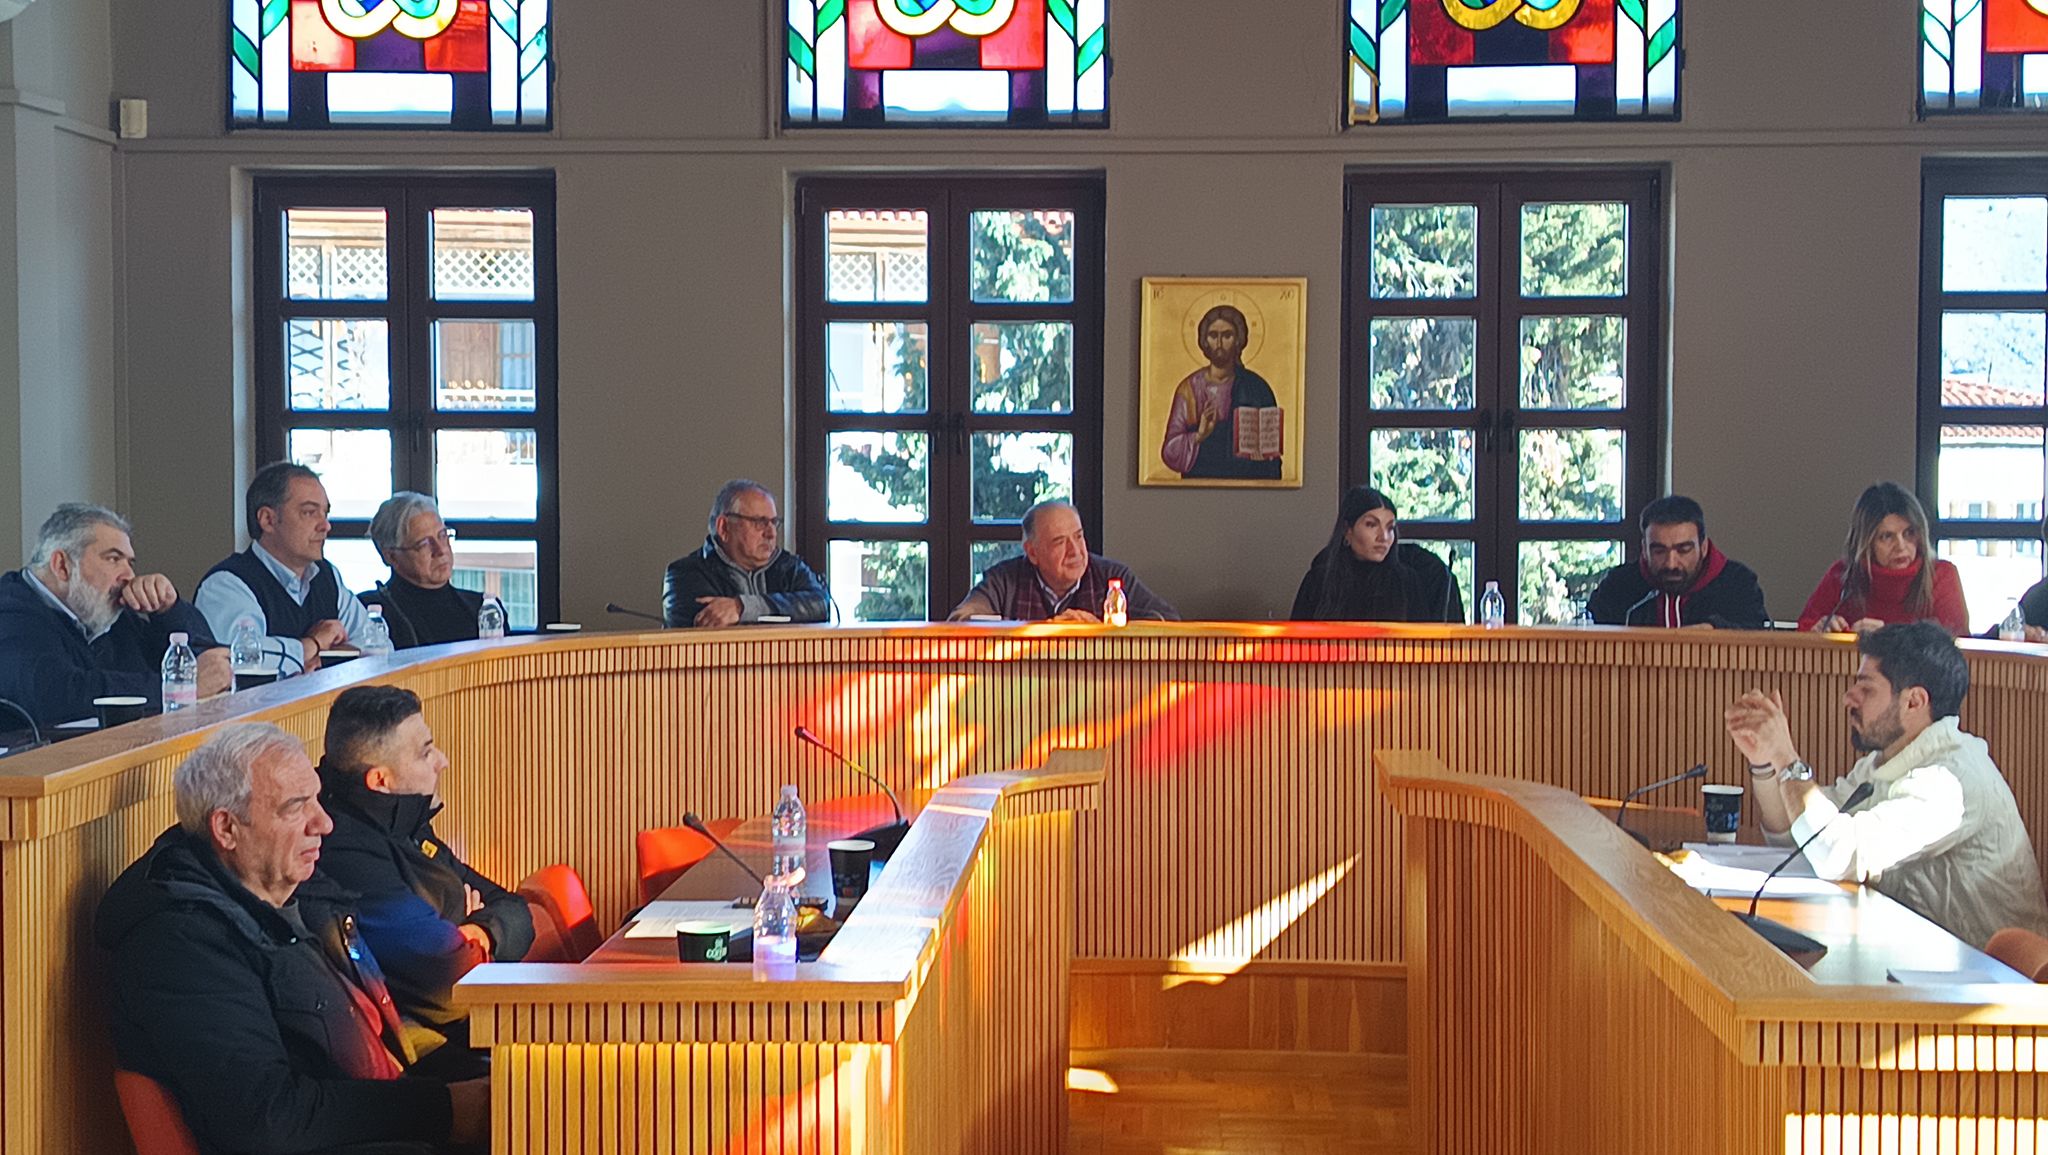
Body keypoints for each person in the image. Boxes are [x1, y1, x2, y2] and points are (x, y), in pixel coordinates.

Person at [93, 724, 489, 1153]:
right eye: (295, 807)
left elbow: (379, 1042)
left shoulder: (288, 893)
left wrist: (479, 1083)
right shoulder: (182, 943)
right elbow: (267, 1118)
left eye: (316, 799)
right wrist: (445, 1110)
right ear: (226, 828)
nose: (324, 823)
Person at [1724, 622, 2048, 949]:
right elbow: (1798, 837)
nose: (1848, 698)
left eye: (1866, 689)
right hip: (1917, 956)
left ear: (1914, 702)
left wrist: (1786, 759)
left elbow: (1836, 855)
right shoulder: (1884, 760)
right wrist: (1765, 761)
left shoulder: (1950, 782)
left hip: (1982, 971)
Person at [315, 685, 533, 1060]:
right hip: (435, 1062)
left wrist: (478, 931)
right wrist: (460, 930)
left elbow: (515, 909)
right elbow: (452, 982)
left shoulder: (406, 825)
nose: (442, 761)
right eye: (425, 752)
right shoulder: (345, 852)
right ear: (380, 780)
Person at [0, 504, 228, 727]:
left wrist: (168, 610)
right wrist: (179, 688)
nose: (129, 575)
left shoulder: (105, 611)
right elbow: (56, 695)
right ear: (62, 566)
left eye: (130, 562)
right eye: (113, 559)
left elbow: (211, 664)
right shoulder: (11, 614)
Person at [196, 462, 373, 675]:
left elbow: (376, 644)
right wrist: (313, 644)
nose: (325, 526)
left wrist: (323, 658)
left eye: (325, 513)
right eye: (309, 512)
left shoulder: (327, 576)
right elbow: (243, 661)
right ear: (268, 520)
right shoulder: (226, 585)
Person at [949, 500, 1178, 622]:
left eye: (1078, 537)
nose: (1075, 551)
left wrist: (1102, 628)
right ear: (1033, 553)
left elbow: (1168, 619)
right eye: (1060, 542)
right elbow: (961, 619)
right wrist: (1039, 630)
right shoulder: (1004, 580)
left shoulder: (1113, 577)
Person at [1796, 482, 1968, 635]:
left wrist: (1886, 639)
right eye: (1887, 536)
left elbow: (1955, 647)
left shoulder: (1941, 574)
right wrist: (1824, 632)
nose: (1900, 546)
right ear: (1866, 543)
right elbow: (1801, 635)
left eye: (1909, 533)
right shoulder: (1842, 575)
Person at [662, 480, 830, 628]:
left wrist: (742, 608)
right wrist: (778, 613)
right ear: (724, 527)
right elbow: (707, 627)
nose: (771, 533)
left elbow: (822, 606)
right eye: (760, 522)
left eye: (774, 522)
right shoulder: (684, 574)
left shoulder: (789, 567)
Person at [1586, 495, 1769, 629]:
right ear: (1644, 549)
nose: (1671, 564)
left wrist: (1715, 630)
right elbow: (1590, 629)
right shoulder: (1619, 585)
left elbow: (1759, 636)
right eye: (1659, 551)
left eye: (1683, 550)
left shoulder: (1738, 583)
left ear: (1704, 547)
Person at [1289, 486, 1462, 622]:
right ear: (1347, 530)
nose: (1384, 537)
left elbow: (1422, 646)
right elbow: (1296, 642)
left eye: (1390, 528)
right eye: (1371, 525)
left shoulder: (1408, 581)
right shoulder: (1318, 580)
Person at [1160, 304, 1283, 481]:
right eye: (1213, 335)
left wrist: (1263, 455)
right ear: (1204, 340)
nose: (1219, 343)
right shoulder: (1189, 389)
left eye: (1227, 335)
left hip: (1246, 483)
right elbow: (1169, 451)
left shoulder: (1257, 388)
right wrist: (1199, 436)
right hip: (1199, 483)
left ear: (1238, 340)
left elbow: (1272, 454)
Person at [361, 493, 487, 648]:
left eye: (442, 536)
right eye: (424, 544)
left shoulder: (482, 609)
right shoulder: (368, 614)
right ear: (391, 556)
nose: (440, 550)